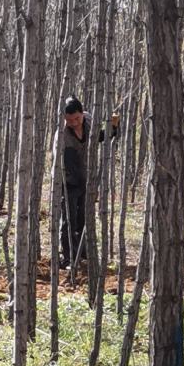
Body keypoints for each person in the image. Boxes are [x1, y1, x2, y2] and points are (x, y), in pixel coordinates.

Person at [59, 97, 118, 269]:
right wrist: (83, 183)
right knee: (69, 220)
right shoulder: (62, 135)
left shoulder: (89, 120)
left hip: (87, 179)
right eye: (69, 120)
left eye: (76, 118)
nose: (74, 123)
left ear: (82, 113)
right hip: (68, 181)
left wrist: (112, 129)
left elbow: (98, 137)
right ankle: (68, 258)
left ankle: (83, 254)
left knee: (84, 217)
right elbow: (66, 163)